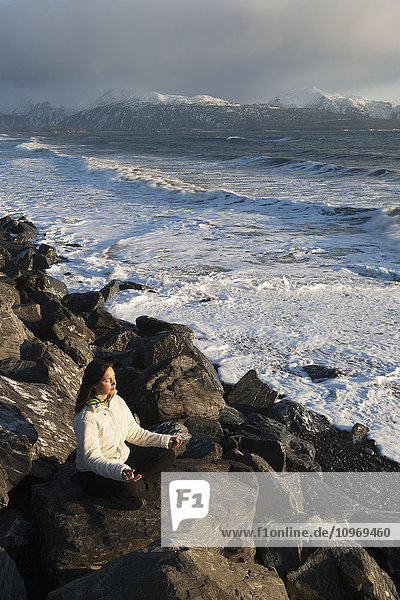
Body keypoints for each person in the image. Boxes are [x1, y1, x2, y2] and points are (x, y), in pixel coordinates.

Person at [73, 359, 180, 510]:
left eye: (114, 377)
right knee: (129, 486)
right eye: (107, 380)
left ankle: (136, 489)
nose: (113, 383)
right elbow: (92, 459)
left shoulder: (117, 400)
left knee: (167, 455)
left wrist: (164, 440)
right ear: (94, 384)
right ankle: (150, 491)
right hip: (94, 474)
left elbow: (134, 432)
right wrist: (120, 472)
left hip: (122, 460)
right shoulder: (86, 418)